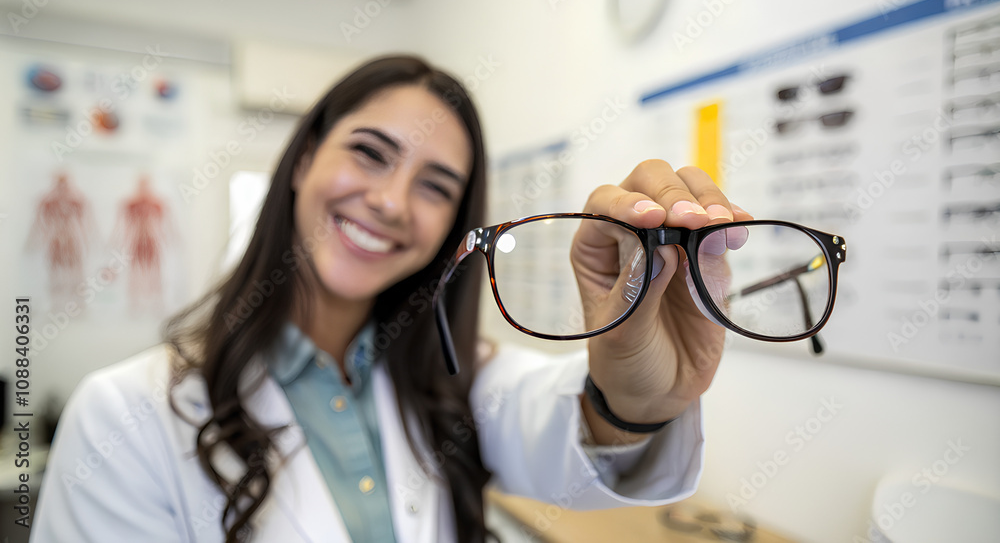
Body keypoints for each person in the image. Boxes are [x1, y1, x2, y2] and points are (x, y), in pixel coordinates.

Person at [30, 55, 752, 543]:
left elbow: (571, 432)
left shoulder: (457, 377)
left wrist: (634, 393)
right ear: (305, 158)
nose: (391, 201)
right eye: (370, 153)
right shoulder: (123, 416)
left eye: (436, 185)